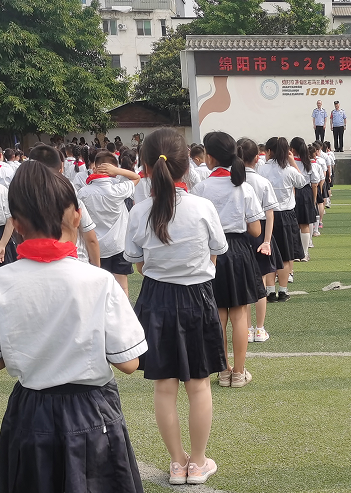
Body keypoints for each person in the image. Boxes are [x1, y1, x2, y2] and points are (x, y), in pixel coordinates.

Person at [0, 160, 147, 492]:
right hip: (92, 411)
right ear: (76, 216)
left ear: (17, 225)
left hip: (31, 411)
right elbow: (129, 362)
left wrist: (25, 349)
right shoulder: (99, 281)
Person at [125, 128, 226, 485]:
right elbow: (216, 252)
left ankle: (177, 462)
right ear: (187, 165)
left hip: (156, 299)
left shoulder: (139, 211)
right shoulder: (202, 207)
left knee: (164, 387)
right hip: (197, 297)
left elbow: (137, 262)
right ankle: (196, 463)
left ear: (145, 168)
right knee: (199, 385)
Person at [192, 131, 266, 389]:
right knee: (239, 315)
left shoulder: (201, 188)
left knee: (218, 315)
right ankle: (239, 372)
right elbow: (255, 230)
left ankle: (223, 372)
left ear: (210, 158)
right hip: (238, 251)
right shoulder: (243, 187)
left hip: (211, 253)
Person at [77, 151, 140, 297]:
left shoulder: (83, 192)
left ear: (95, 167)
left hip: (95, 247)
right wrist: (117, 171)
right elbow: (136, 177)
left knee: (98, 289)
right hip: (118, 245)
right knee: (122, 287)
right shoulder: (118, 189)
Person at [28, 144, 101, 267]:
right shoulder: (72, 199)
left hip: (35, 265)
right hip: (75, 263)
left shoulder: (24, 200)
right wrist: (96, 269)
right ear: (61, 167)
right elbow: (91, 239)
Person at [238, 138, 281, 344]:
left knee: (244, 284)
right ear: (257, 158)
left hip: (239, 234)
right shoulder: (262, 182)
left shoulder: (234, 181)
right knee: (261, 282)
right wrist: (267, 241)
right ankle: (260, 328)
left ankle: (246, 329)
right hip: (261, 232)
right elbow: (270, 214)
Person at [258, 137, 307, 302]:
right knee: (286, 256)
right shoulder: (289, 169)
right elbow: (301, 183)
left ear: (269, 151)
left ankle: (270, 291)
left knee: (269, 254)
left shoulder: (262, 169)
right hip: (286, 215)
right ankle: (283, 291)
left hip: (267, 215)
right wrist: (292, 162)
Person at [290, 137, 319, 262]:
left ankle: (296, 254)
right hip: (306, 192)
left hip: (292, 191)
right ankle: (305, 254)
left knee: (295, 225)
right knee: (305, 224)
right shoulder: (309, 163)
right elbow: (314, 183)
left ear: (292, 149)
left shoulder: (289, 163)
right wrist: (313, 199)